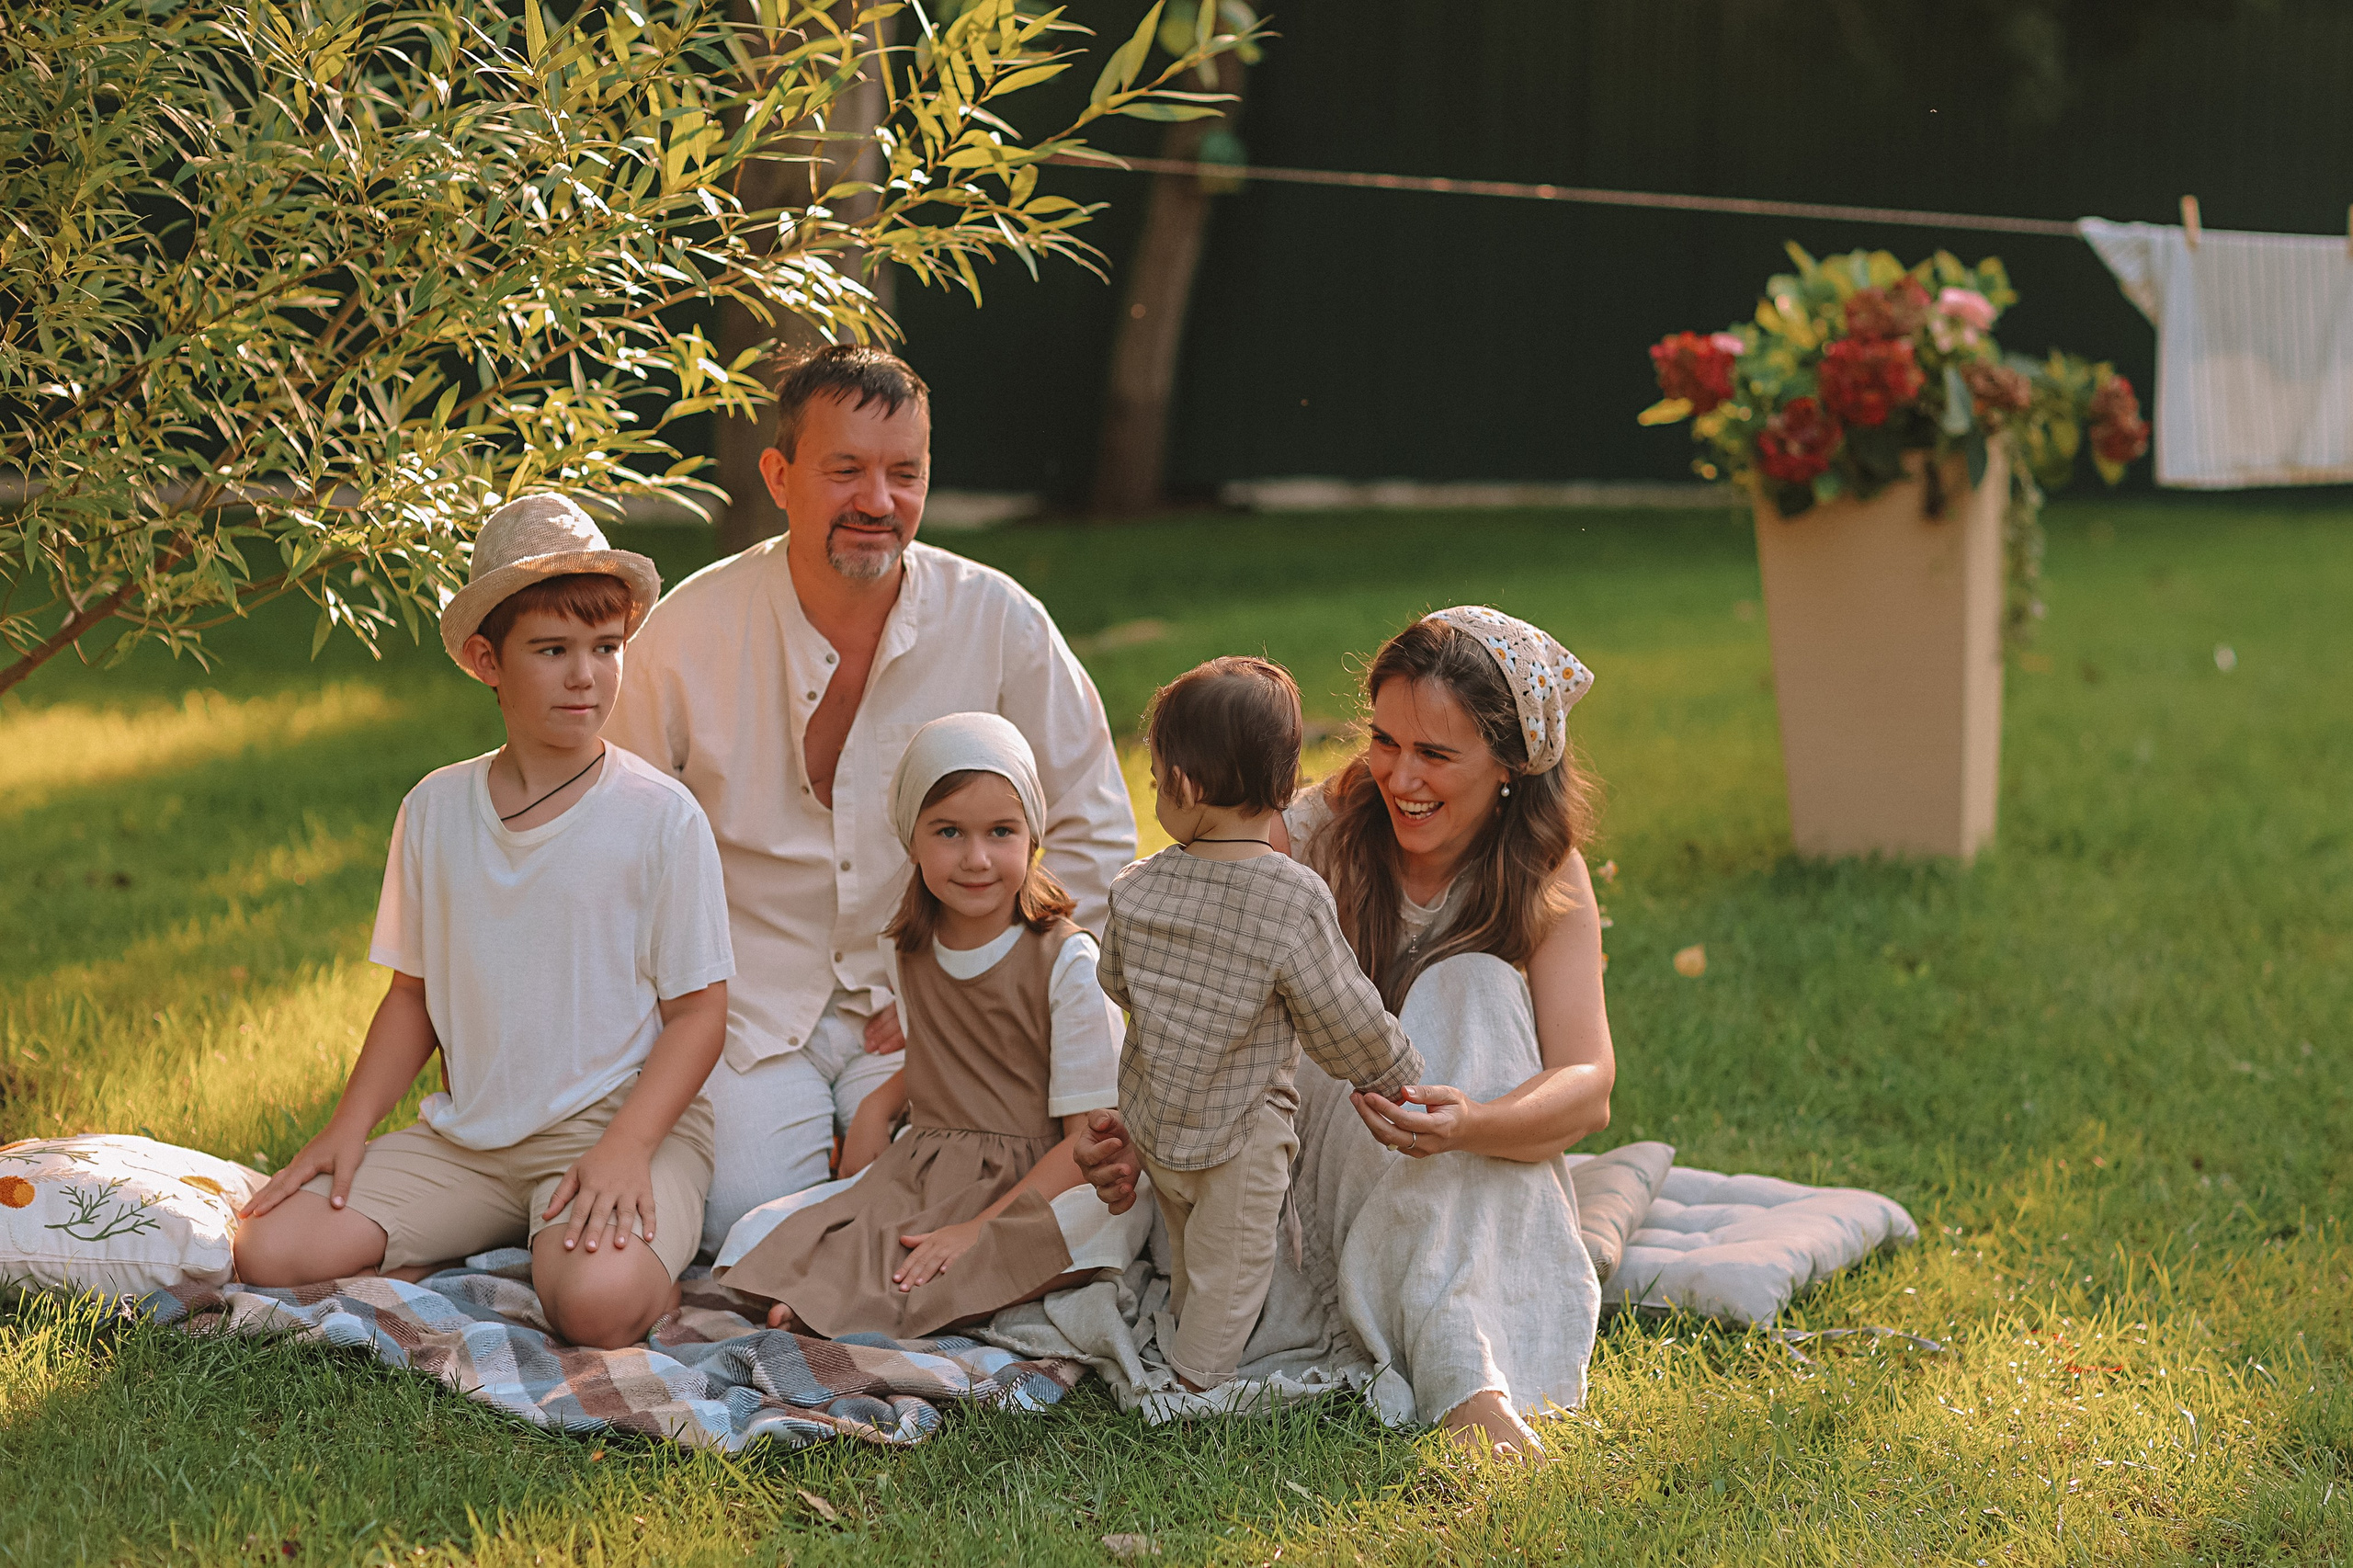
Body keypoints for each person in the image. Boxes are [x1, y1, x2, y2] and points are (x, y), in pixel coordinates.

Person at [602, 346, 1136, 1256]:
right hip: (748, 1008)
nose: (877, 501)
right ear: (779, 474)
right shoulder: (688, 631)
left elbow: (1096, 835)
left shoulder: (1001, 621)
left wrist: (987, 976)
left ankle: (884, 1210)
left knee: (1036, 1172)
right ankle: (859, 1213)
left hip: (951, 1001)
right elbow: (614, 847)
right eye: (844, 469)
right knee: (736, 1210)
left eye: (904, 473)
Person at [1074, 607, 1614, 1456]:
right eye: (1386, 740)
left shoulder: (1543, 873)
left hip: (1458, 1135)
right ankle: (1465, 1382)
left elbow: (1588, 1086)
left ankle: (1460, 1370)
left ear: (1510, 763)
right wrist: (1149, 1128)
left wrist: (1465, 1124)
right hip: (1314, 1146)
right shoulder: (1309, 830)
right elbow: (1197, 994)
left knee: (1471, 982)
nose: (1401, 776)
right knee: (1426, 1020)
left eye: (1436, 753)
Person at [233, 495, 735, 1349]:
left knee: (595, 1308)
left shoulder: (661, 817)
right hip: (472, 1141)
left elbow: (700, 1016)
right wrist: (345, 1128)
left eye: (606, 648)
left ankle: (571, 1250)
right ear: (486, 659)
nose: (587, 675)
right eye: (553, 650)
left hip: (614, 1127)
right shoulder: (435, 808)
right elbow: (412, 997)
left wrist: (625, 1148)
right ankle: (498, 1234)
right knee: (270, 1250)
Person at [722, 713, 1113, 1335]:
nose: (977, 858)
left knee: (1036, 1241)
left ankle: (858, 1300)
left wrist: (978, 1228)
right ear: (912, 841)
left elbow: (1087, 1139)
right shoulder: (907, 952)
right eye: (950, 832)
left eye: (1001, 832)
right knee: (755, 1231)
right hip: (937, 1162)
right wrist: (879, 1106)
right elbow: (954, 1056)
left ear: (1033, 840)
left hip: (1048, 1179)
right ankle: (848, 1293)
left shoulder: (1065, 961)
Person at [1101, 657, 1425, 1395]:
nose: (1155, 792)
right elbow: (1340, 1010)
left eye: (1155, 779)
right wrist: (1396, 1069)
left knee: (1190, 1248)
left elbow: (1114, 980)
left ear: (1184, 784)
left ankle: (1185, 1336)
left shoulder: (1137, 887)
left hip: (1157, 1119)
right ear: (1282, 787)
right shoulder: (1291, 897)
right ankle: (1194, 1386)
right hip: (1241, 1132)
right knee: (1237, 1261)